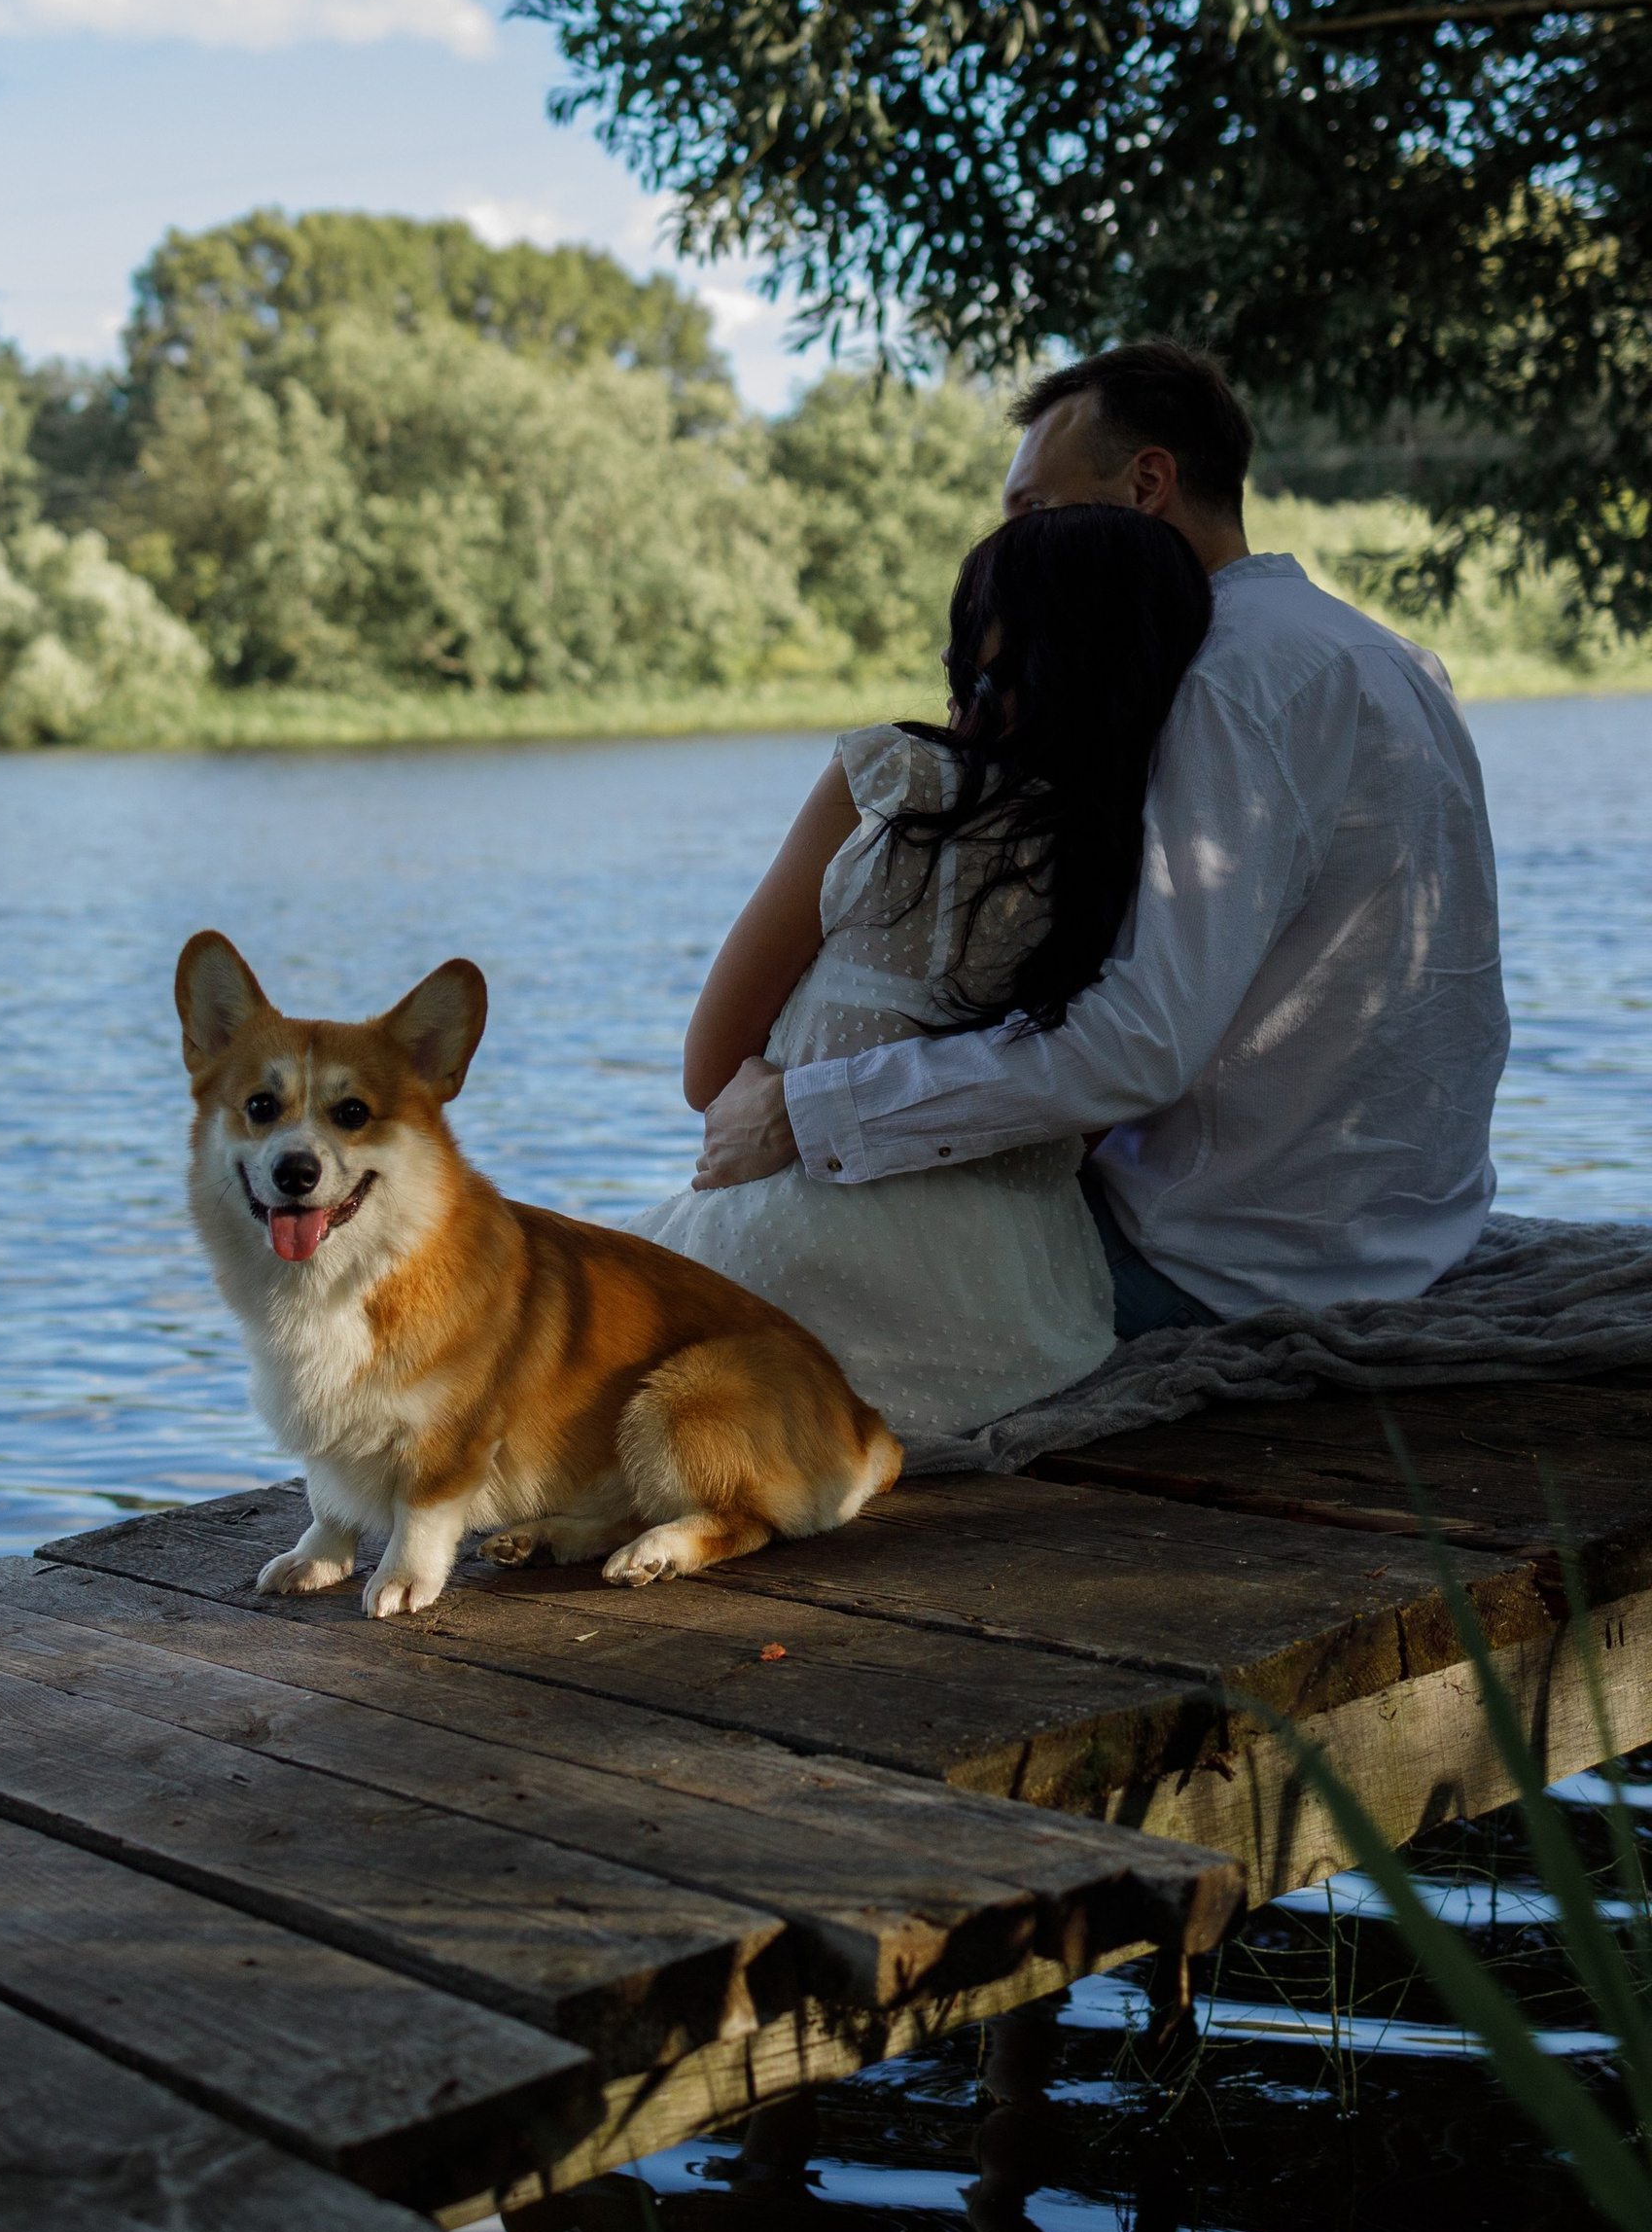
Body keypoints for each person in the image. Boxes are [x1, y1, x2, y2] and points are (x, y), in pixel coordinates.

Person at [691, 344, 1511, 1336]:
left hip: (1225, 1261)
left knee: (751, 1284)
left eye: (1031, 508)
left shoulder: (1219, 683)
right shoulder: (1393, 658)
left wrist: (809, 1112)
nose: (1009, 543)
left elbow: (1138, 1045)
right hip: (1404, 1230)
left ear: (1147, 483)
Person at [630, 504, 1212, 1438]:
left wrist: (793, 1092)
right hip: (1024, 1314)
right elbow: (1093, 1109)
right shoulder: (1141, 851)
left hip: (805, 1258)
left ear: (988, 650)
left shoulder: (890, 782)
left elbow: (709, 1071)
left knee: (551, 1305)